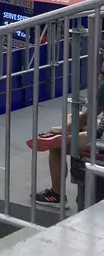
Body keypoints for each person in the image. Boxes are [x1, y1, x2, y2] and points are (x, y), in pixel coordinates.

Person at [31, 64, 104, 207]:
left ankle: (56, 195)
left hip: (101, 141)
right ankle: (59, 133)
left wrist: (64, 131)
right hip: (100, 130)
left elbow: (87, 118)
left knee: (57, 146)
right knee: (73, 117)